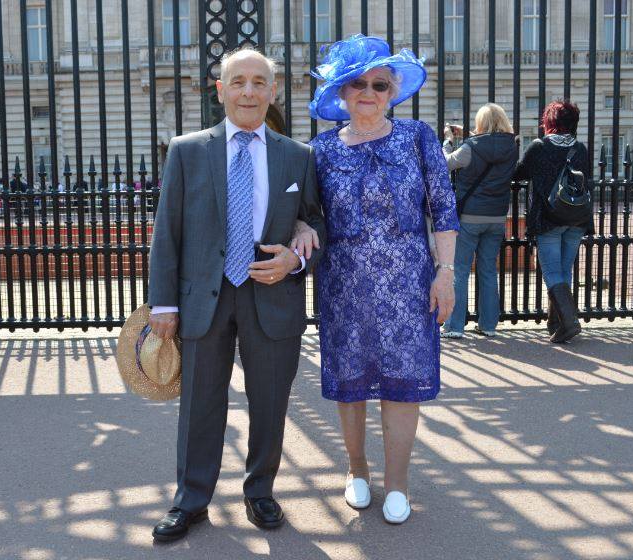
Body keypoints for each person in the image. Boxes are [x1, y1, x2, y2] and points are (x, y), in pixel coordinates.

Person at [147, 47, 325, 542]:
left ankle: (260, 492)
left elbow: (317, 223)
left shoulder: (298, 155)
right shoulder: (187, 150)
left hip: (272, 296)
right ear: (220, 90)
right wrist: (163, 302)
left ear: (273, 91)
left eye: (258, 82)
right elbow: (168, 230)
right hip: (205, 297)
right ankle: (191, 500)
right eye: (238, 82)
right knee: (200, 403)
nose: (249, 91)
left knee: (269, 402)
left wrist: (297, 256)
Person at [293, 35, 458, 524]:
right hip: (344, 286)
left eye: (379, 84)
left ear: (392, 90)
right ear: (341, 92)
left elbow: (443, 210)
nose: (368, 92)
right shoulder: (319, 150)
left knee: (402, 384)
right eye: (357, 83)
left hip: (409, 283)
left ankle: (398, 482)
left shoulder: (418, 137)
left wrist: (445, 273)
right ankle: (357, 469)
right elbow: (306, 214)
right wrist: (302, 225)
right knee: (350, 383)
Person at [513, 100, 594, 343]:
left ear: (549, 122)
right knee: (563, 270)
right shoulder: (580, 148)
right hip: (576, 218)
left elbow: (520, 174)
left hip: (549, 218)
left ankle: (569, 322)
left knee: (550, 271)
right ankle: (557, 324)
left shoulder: (539, 147)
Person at [440, 103, 518, 338]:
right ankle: (488, 325)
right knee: (487, 270)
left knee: (461, 270)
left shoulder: (471, 147)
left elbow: (447, 163)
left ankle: (454, 326)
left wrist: (448, 141)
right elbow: (491, 144)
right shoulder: (512, 146)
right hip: (496, 216)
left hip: (470, 216)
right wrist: (469, 133)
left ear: (481, 123)